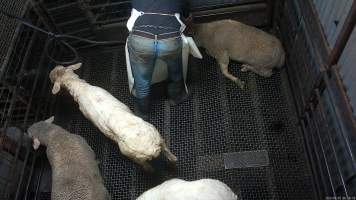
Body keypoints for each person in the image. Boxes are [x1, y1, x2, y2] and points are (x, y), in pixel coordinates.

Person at [126, 0, 191, 119]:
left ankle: (144, 113)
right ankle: (176, 97)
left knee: (142, 80)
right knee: (175, 71)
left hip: (142, 40)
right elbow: (186, 15)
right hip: (169, 40)